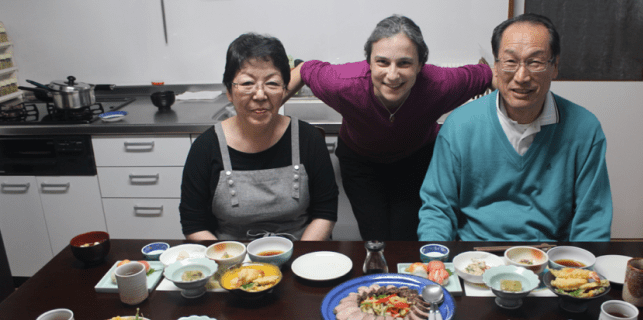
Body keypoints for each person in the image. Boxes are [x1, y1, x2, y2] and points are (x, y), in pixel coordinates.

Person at [286, 15, 492, 241]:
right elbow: (304, 69)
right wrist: (265, 112)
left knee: (406, 237)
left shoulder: (440, 84)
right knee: (375, 238)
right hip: (360, 162)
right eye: (382, 62)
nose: (392, 75)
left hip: (416, 159)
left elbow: (490, 74)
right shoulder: (342, 83)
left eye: (404, 63)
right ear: (369, 62)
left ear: (420, 65)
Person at [418, 13, 613, 242]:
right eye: (510, 62)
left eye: (535, 62)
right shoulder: (460, 125)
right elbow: (437, 210)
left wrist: (580, 264)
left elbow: (592, 220)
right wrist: (437, 258)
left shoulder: (585, 129)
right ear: (496, 66)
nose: (521, 77)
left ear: (555, 66)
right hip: (476, 255)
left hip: (550, 256)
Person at [180, 33, 338, 241]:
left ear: (284, 89)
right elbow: (193, 223)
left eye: (272, 83)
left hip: (299, 252)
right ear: (229, 91)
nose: (260, 95)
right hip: (232, 257)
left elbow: (325, 212)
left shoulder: (308, 139)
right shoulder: (206, 147)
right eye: (247, 83)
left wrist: (301, 254)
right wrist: (228, 256)